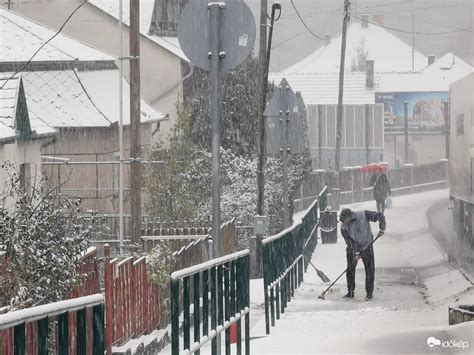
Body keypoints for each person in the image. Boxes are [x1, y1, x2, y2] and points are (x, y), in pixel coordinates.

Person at [339, 208, 386, 301]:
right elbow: (349, 241)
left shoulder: (364, 214)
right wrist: (356, 252)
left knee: (369, 269)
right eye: (343, 221)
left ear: (350, 217)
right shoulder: (343, 226)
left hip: (367, 245)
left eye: (346, 220)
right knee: (350, 269)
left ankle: (369, 292)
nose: (345, 222)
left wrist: (382, 227)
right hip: (353, 248)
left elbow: (380, 215)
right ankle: (350, 291)